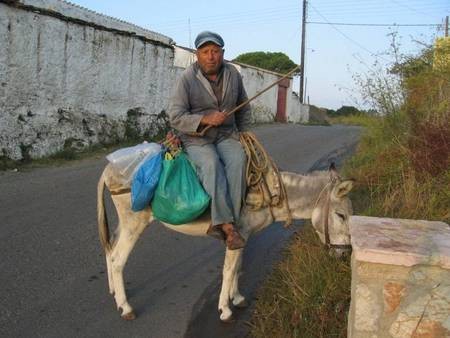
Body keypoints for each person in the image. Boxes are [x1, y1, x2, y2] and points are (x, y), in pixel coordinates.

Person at [168, 31, 251, 250]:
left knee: (239, 160)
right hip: (197, 138)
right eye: (205, 52)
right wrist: (205, 119)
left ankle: (230, 218)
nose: (211, 56)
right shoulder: (187, 78)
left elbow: (244, 105)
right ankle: (227, 226)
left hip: (226, 135)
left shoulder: (233, 74)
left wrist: (244, 132)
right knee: (211, 164)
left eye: (215, 51)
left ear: (222, 53)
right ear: (197, 54)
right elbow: (175, 117)